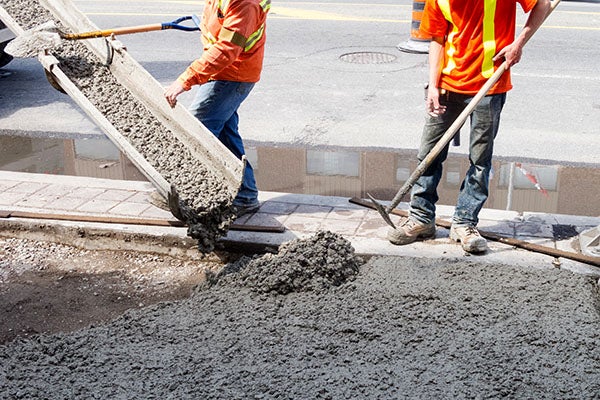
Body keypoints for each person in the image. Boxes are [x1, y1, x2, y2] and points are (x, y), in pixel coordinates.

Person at [387, 0, 551, 253]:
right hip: (447, 84)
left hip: (490, 84)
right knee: (428, 155)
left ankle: (464, 223)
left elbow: (543, 4)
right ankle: (421, 219)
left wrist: (518, 44)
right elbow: (438, 39)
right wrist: (432, 84)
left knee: (480, 159)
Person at [164, 0, 271, 216]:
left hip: (232, 75)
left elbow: (227, 49)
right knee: (224, 135)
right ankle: (246, 195)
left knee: (196, 132)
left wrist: (186, 80)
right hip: (224, 71)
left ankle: (188, 194)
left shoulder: (245, 4)